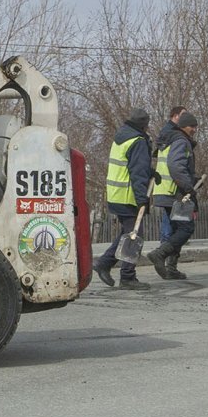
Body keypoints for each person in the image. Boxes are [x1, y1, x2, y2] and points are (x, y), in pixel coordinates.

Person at [93, 108, 154, 290]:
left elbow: (130, 166)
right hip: (129, 197)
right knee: (135, 236)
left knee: (127, 234)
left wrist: (152, 172)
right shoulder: (138, 141)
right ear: (144, 125)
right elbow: (137, 172)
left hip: (116, 195)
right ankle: (127, 276)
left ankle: (104, 263)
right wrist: (142, 197)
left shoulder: (121, 137)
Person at [147, 111, 200, 280]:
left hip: (164, 190)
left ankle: (171, 268)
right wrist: (188, 186)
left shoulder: (169, 140)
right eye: (192, 126)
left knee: (176, 229)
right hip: (175, 192)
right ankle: (159, 255)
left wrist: (192, 179)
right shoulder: (180, 141)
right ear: (184, 127)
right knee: (186, 228)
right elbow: (176, 166)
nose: (194, 130)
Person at [156, 106, 186, 243]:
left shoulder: (166, 132)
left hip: (164, 181)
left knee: (170, 212)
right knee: (170, 213)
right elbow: (174, 163)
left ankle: (168, 239)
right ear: (175, 116)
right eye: (183, 115)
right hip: (171, 182)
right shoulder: (173, 134)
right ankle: (167, 240)